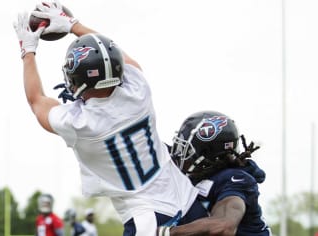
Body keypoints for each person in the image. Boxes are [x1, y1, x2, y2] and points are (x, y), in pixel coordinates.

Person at [12, 1, 208, 235]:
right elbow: (116, 55)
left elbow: (36, 100)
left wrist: (28, 52)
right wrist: (74, 25)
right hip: (187, 199)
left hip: (147, 218)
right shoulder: (138, 90)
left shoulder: (79, 124)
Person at [158, 110, 272, 236]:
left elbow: (224, 226)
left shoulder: (235, 179)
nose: (178, 155)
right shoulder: (198, 175)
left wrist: (166, 233)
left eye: (185, 151)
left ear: (206, 156)